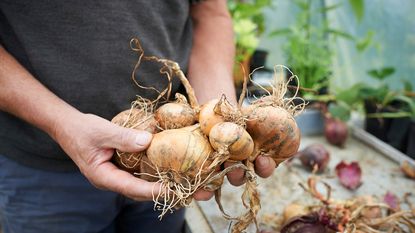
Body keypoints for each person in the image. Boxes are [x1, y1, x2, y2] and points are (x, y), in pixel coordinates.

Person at [0, 0, 277, 232]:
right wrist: (58, 123)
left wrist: (216, 113)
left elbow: (210, 11)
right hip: (43, 169)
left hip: (169, 168)